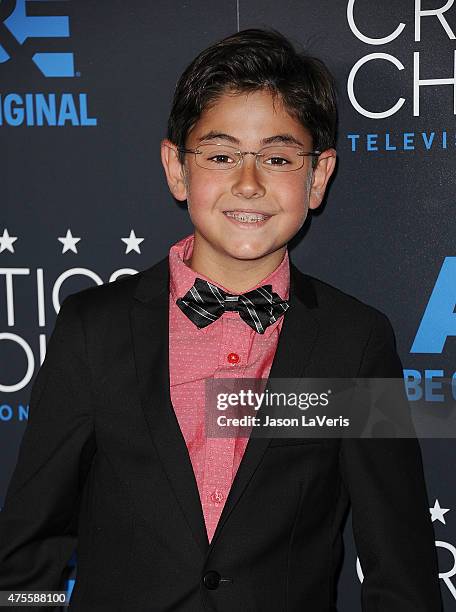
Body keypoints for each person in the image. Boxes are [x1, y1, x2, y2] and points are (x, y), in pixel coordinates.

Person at [0, 28, 442, 611]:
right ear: (177, 168)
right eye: (221, 154)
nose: (249, 182)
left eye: (278, 158)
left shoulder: (354, 342)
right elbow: (27, 556)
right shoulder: (95, 328)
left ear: (318, 176)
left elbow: (400, 570)